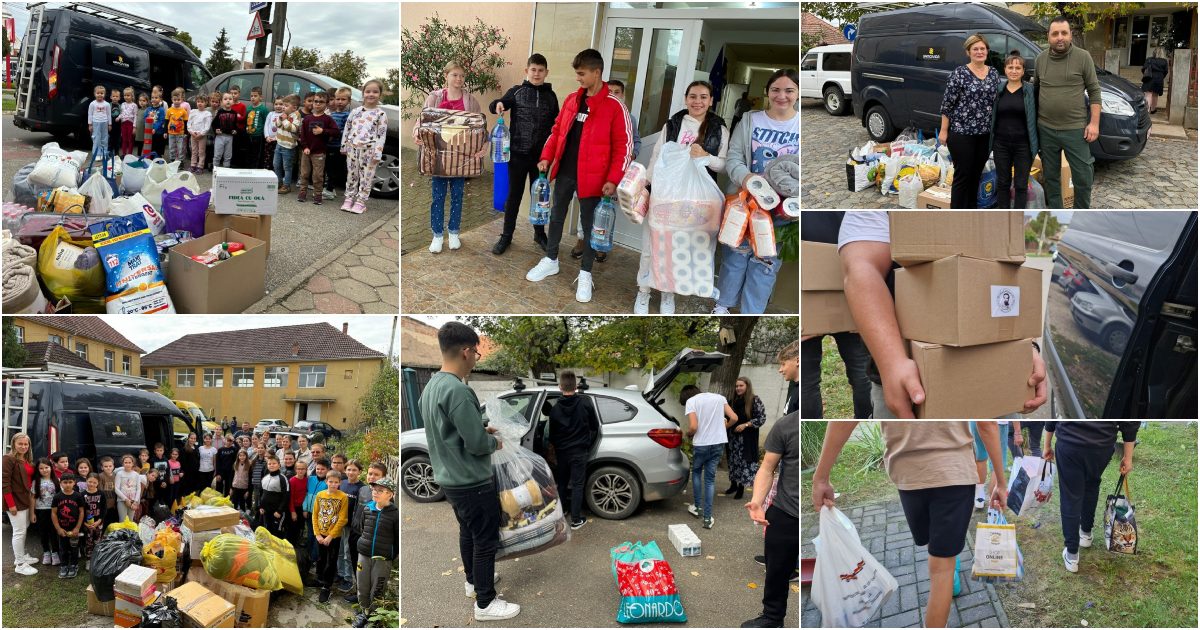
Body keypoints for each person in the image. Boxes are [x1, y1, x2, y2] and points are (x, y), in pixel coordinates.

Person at [838, 211, 1047, 418]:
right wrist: (892, 363)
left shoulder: (999, 212)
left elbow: (1007, 276)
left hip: (998, 378)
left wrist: (1026, 347)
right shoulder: (881, 213)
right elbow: (861, 269)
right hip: (914, 384)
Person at [812, 422, 1008, 628]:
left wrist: (821, 477)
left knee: (936, 553)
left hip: (907, 475)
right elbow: (986, 424)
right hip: (953, 471)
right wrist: (1001, 483)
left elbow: (848, 419)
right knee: (942, 568)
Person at [417, 322, 519, 621]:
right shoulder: (458, 391)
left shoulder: (431, 387)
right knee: (485, 540)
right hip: (472, 481)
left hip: (450, 480)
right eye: (476, 352)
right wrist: (493, 441)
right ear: (465, 351)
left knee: (468, 532)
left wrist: (478, 428)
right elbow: (476, 444)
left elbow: (448, 430)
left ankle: (473, 582)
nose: (476, 358)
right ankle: (485, 604)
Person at [529, 48, 633, 303]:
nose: (578, 79)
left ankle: (586, 273)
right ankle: (551, 259)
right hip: (566, 170)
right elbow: (557, 131)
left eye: (582, 74)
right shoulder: (573, 100)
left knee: (589, 227)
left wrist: (613, 178)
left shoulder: (615, 106)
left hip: (596, 179)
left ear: (597, 73)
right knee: (556, 215)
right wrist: (546, 156)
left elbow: (625, 146)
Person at [635, 80, 729, 314]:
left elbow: (723, 166)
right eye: (693, 96)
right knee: (651, 245)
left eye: (703, 97)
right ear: (686, 99)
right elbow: (657, 156)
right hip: (665, 195)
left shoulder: (719, 129)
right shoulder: (673, 125)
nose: (698, 101)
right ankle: (643, 291)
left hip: (695, 202)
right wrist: (646, 185)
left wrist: (706, 155)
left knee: (676, 249)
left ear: (711, 101)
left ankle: (668, 294)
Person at [714, 68, 798, 314]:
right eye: (776, 90)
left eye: (789, 90)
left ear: (798, 93)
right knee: (735, 255)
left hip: (782, 211)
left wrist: (790, 195)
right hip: (745, 202)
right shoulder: (750, 120)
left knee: (766, 262)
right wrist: (748, 178)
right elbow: (733, 157)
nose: (781, 95)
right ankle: (723, 305)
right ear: (768, 92)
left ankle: (751, 311)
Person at [800, 212, 870, 418]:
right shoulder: (854, 217)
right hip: (850, 297)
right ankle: (867, 419)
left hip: (809, 303)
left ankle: (808, 432)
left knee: (808, 380)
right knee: (862, 374)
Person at [1043, 422, 1138, 573]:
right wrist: (1128, 457)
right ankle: (1086, 533)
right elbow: (1130, 422)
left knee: (1070, 495)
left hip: (1070, 441)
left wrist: (1046, 444)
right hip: (1101, 446)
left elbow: (1053, 417)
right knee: (1092, 484)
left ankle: (1072, 554)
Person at [489, 54, 560, 255]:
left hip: (541, 159)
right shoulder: (516, 92)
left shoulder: (551, 96)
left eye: (540, 70)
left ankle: (539, 233)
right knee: (514, 196)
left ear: (546, 72)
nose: (536, 74)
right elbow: (498, 103)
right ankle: (506, 236)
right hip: (518, 155)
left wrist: (551, 154)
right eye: (533, 70)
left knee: (539, 197)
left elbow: (557, 126)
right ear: (526, 71)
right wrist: (497, 105)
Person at [1035, 16, 1101, 209]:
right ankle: (1057, 213)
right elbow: (1036, 90)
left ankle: (1081, 213)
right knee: (1051, 177)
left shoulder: (1083, 57)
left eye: (1064, 33)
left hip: (1075, 130)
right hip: (1046, 129)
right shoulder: (1040, 60)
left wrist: (1094, 123)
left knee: (1083, 176)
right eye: (1055, 33)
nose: (1060, 37)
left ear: (1071, 35)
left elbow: (1095, 91)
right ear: (1048, 37)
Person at [418, 62, 485, 253]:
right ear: (446, 75)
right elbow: (422, 119)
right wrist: (417, 132)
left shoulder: (471, 100)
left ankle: (454, 232)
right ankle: (437, 235)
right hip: (438, 157)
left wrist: (483, 147)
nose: (459, 79)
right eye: (455, 75)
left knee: (458, 196)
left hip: (461, 158)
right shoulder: (435, 97)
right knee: (437, 197)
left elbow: (480, 128)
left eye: (462, 76)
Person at [740, 411, 797, 628]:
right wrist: (757, 501)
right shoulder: (786, 425)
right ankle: (772, 617)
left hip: (818, 511)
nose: (781, 373)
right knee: (776, 571)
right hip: (784, 512)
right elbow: (767, 467)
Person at [938, 34, 1001, 208]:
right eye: (975, 49)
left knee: (976, 174)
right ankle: (957, 211)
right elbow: (947, 104)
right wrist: (944, 130)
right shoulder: (959, 73)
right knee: (963, 175)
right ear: (968, 52)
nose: (979, 52)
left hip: (984, 135)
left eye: (982, 48)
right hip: (961, 134)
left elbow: (996, 102)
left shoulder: (993, 73)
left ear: (987, 51)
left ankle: (972, 209)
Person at [680, 383, 738, 529]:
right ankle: (707, 518)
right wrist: (724, 427)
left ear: (686, 396)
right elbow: (734, 418)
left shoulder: (691, 401)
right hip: (718, 443)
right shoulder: (719, 398)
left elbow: (693, 426)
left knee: (697, 472)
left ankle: (698, 507)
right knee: (710, 480)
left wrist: (688, 434)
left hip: (701, 444)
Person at [546, 370, 600, 529]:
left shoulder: (554, 410)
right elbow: (594, 426)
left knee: (562, 483)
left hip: (562, 453)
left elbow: (552, 436)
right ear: (576, 386)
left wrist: (554, 450)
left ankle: (562, 513)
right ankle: (576, 520)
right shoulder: (585, 403)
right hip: (579, 452)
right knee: (577, 485)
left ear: (560, 386)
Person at [990, 51, 1039, 209]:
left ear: (1023, 71)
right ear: (1005, 69)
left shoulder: (1030, 91)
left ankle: (1018, 218)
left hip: (1023, 145)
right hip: (1001, 144)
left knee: (1021, 185)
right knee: (1003, 183)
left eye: (1018, 68)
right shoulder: (999, 90)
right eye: (1010, 67)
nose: (1014, 70)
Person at [351, 477, 399, 628]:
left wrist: (391, 555)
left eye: (380, 491)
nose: (375, 493)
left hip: (382, 558)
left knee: (378, 588)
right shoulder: (367, 508)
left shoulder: (395, 514)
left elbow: (397, 539)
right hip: (364, 555)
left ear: (390, 494)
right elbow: (362, 529)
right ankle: (364, 612)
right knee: (362, 586)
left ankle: (374, 616)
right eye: (374, 490)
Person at [339, 79, 390, 214]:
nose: (371, 94)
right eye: (368, 91)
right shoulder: (356, 111)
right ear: (363, 93)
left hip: (369, 150)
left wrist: (378, 153)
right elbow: (347, 128)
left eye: (375, 92)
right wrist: (344, 146)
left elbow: (381, 135)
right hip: (352, 148)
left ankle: (361, 201)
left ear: (380, 94)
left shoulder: (381, 114)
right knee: (352, 174)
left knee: (366, 176)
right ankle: (349, 198)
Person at [345, 460, 386, 605]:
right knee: (357, 563)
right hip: (355, 532)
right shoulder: (362, 489)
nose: (372, 477)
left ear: (383, 477)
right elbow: (357, 510)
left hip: (368, 536)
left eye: (376, 475)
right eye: (370, 474)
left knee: (367, 568)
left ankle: (368, 600)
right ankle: (359, 593)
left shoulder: (384, 495)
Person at [725, 377, 766, 500]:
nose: (738, 388)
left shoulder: (755, 400)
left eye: (741, 386)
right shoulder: (732, 400)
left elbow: (761, 418)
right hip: (733, 437)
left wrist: (746, 425)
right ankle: (733, 484)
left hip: (746, 438)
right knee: (732, 461)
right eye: (736, 386)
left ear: (747, 386)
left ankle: (741, 488)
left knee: (743, 462)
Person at [3, 432, 39, 575]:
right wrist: (11, 505)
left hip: (25, 500)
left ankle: (21, 556)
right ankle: (19, 564)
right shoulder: (8, 459)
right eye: (20, 444)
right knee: (19, 532)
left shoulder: (26, 459)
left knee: (24, 529)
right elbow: (4, 484)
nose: (23, 446)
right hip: (15, 501)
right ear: (14, 444)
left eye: (26, 444)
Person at [312, 469, 349, 603]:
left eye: (336, 482)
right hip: (320, 534)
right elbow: (315, 515)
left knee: (331, 560)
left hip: (333, 536)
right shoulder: (320, 495)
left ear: (339, 483)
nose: (333, 484)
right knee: (321, 558)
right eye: (330, 482)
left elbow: (343, 518)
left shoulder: (342, 497)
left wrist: (330, 536)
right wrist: (317, 534)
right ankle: (319, 579)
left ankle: (327, 586)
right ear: (326, 481)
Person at [298, 91, 336, 205]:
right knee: (304, 173)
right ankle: (302, 192)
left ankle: (318, 194)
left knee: (318, 175)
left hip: (319, 153)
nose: (318, 104)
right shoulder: (307, 119)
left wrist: (323, 131)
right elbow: (302, 134)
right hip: (306, 151)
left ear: (326, 104)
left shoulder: (328, 119)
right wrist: (304, 147)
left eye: (321, 102)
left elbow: (336, 132)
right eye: (316, 101)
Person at [971, 421, 1014, 509]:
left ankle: (979, 498)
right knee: (997, 465)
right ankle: (994, 506)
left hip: (974, 420)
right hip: (997, 423)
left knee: (980, 457)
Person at [337, 460, 365, 592]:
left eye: (354, 470)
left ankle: (348, 578)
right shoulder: (341, 484)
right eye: (348, 469)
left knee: (348, 553)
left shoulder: (361, 488)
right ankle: (340, 573)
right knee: (340, 551)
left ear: (359, 472)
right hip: (339, 523)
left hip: (351, 526)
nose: (351, 472)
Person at [51, 472, 85, 579]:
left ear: (74, 483)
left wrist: (77, 528)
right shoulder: (57, 497)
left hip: (74, 529)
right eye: (65, 482)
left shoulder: (78, 496)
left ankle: (74, 565)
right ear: (61, 483)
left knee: (74, 548)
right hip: (62, 529)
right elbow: (53, 513)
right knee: (63, 548)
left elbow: (81, 512)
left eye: (70, 482)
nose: (68, 485)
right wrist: (58, 528)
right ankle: (64, 565)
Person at [324, 87, 351, 200]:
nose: (340, 102)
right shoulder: (333, 114)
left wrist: (333, 134)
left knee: (335, 169)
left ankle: (330, 189)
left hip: (338, 146)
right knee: (328, 167)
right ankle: (330, 188)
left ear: (349, 101)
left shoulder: (348, 115)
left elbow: (346, 131)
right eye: (337, 99)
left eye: (343, 99)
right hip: (329, 145)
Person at [33, 458, 60, 566]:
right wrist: (32, 513)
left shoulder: (57, 480)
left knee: (54, 532)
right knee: (43, 533)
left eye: (46, 467)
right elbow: (32, 498)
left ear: (51, 468)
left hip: (54, 511)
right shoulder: (36, 482)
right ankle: (46, 553)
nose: (44, 470)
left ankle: (55, 553)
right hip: (40, 511)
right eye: (41, 468)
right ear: (38, 470)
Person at [259, 456, 290, 538]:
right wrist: (261, 506)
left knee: (276, 533)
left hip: (276, 512)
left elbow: (286, 496)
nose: (271, 465)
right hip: (265, 511)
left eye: (274, 463)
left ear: (279, 465)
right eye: (269, 464)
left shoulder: (282, 478)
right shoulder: (265, 478)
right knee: (267, 531)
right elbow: (261, 493)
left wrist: (279, 511)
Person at [81, 474, 105, 571]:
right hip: (87, 524)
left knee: (97, 541)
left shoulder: (101, 494)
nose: (92, 484)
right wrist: (85, 523)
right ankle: (88, 560)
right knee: (88, 542)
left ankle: (97, 559)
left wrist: (99, 521)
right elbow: (81, 511)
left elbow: (104, 509)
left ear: (98, 483)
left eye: (94, 482)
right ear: (86, 481)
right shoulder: (82, 494)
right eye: (90, 481)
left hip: (98, 523)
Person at [245, 86, 270, 172]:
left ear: (260, 97)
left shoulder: (263, 109)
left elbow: (267, 122)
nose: (253, 98)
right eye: (251, 96)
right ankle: (248, 169)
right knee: (249, 153)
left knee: (257, 154)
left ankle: (255, 170)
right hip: (249, 135)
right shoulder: (248, 108)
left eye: (255, 96)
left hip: (258, 135)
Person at [212, 92, 239, 169]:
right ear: (221, 102)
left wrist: (235, 130)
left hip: (229, 137)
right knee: (217, 155)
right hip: (220, 136)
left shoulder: (234, 113)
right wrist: (215, 130)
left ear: (233, 102)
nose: (228, 101)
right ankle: (215, 170)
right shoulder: (220, 112)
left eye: (230, 99)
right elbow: (214, 124)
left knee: (228, 155)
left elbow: (235, 125)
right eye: (225, 99)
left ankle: (226, 170)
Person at [186, 94, 212, 173]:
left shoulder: (207, 114)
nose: (200, 103)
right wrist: (191, 132)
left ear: (206, 103)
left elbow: (207, 126)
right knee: (194, 150)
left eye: (202, 102)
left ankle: (200, 166)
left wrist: (201, 134)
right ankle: (193, 165)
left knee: (201, 151)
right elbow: (189, 123)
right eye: (198, 101)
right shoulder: (193, 112)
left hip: (202, 136)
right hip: (193, 135)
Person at [114, 454, 142, 523]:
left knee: (130, 520)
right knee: (122, 520)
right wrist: (125, 499)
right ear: (123, 463)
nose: (128, 464)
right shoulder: (119, 473)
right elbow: (116, 488)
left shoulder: (136, 474)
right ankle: (122, 533)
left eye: (129, 462)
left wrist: (136, 501)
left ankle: (130, 533)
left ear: (133, 463)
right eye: (126, 462)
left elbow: (138, 489)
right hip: (122, 500)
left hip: (133, 501)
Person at [86, 85, 112, 158]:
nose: (100, 94)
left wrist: (110, 124)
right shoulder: (92, 104)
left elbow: (109, 114)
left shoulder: (107, 104)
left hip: (105, 122)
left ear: (104, 94)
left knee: (104, 138)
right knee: (96, 138)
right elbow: (90, 114)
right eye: (98, 93)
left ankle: (104, 153)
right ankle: (96, 154)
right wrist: (90, 124)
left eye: (102, 93)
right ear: (95, 94)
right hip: (95, 123)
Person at [1141, 47, 1169, 114]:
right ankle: (1153, 109)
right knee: (1155, 94)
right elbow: (1166, 71)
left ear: (1154, 52)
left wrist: (1147, 75)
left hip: (1149, 78)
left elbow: (1144, 69)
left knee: (1148, 94)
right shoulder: (1164, 61)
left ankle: (1146, 111)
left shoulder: (1149, 59)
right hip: (1159, 79)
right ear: (1162, 53)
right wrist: (1161, 76)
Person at [166, 87, 190, 163]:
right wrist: (165, 132)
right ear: (172, 100)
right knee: (171, 147)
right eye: (175, 100)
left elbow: (186, 121)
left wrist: (186, 132)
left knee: (180, 148)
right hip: (171, 133)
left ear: (181, 99)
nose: (176, 102)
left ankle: (181, 162)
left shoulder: (183, 111)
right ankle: (172, 161)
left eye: (178, 100)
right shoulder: (169, 110)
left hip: (180, 133)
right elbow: (166, 120)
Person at [146, 89, 168, 158]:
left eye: (156, 98)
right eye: (152, 98)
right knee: (151, 145)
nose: (154, 99)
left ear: (160, 99)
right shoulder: (148, 109)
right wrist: (149, 127)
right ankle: (151, 156)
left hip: (158, 132)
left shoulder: (161, 109)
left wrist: (155, 128)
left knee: (158, 146)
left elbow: (161, 120)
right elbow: (145, 118)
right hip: (150, 131)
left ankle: (158, 157)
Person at [264, 96, 283, 170]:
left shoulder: (284, 115)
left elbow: (283, 129)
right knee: (268, 157)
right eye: (276, 104)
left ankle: (277, 173)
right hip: (269, 140)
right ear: (273, 105)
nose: (278, 106)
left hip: (279, 141)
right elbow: (266, 125)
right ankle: (267, 171)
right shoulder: (270, 114)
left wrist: (276, 138)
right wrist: (267, 136)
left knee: (277, 159)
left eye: (281, 104)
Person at [98, 456, 118, 526]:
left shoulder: (116, 475)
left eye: (110, 466)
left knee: (113, 522)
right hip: (105, 505)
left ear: (113, 466)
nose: (108, 468)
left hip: (114, 504)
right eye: (106, 466)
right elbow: (100, 491)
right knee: (105, 523)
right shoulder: (101, 476)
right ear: (102, 468)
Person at [780, 340, 798, 415]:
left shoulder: (803, 392)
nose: (780, 370)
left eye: (783, 364)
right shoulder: (796, 389)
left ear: (798, 361)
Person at [118, 87, 138, 157]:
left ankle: (129, 155)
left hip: (130, 124)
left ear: (132, 96)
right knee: (124, 139)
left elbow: (136, 116)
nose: (126, 97)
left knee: (130, 140)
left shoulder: (134, 105)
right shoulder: (123, 104)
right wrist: (118, 117)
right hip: (123, 124)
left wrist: (134, 127)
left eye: (128, 95)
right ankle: (123, 154)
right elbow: (122, 113)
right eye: (125, 95)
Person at [134, 92, 150, 157]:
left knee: (146, 143)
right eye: (140, 100)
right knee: (140, 143)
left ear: (147, 101)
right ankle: (138, 155)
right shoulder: (138, 110)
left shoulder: (148, 110)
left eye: (144, 100)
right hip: (139, 129)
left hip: (145, 129)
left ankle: (146, 155)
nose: (142, 102)